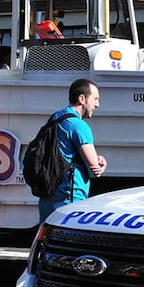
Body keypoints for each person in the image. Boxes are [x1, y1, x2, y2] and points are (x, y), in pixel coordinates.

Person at [38, 79, 107, 223]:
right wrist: (101, 163)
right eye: (95, 99)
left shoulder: (56, 118)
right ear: (82, 99)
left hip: (47, 199)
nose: (97, 104)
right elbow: (94, 169)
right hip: (69, 201)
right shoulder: (79, 126)